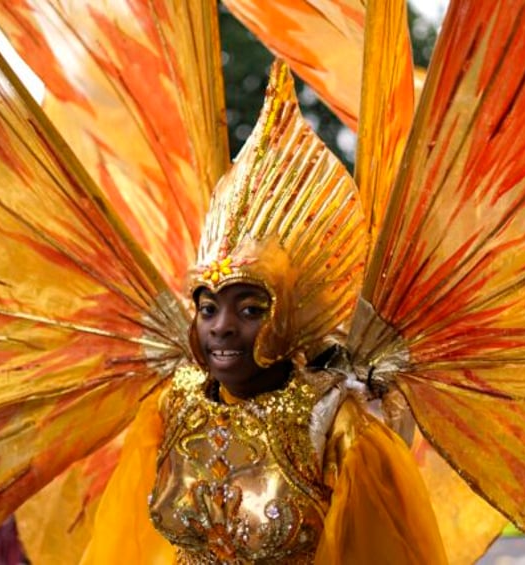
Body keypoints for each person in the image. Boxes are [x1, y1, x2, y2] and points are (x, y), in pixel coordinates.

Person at [80, 62, 447, 564]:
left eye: (249, 308)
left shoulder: (336, 424)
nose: (222, 327)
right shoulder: (170, 407)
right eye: (208, 308)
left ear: (290, 316)